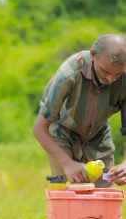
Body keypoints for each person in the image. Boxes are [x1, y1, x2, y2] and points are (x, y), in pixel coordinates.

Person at [33, 34, 126, 187]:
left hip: (98, 135)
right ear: (93, 55)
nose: (110, 79)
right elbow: (39, 129)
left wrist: (125, 165)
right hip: (61, 132)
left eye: (117, 74)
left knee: (105, 186)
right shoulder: (68, 74)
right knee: (60, 185)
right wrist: (67, 163)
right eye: (105, 71)